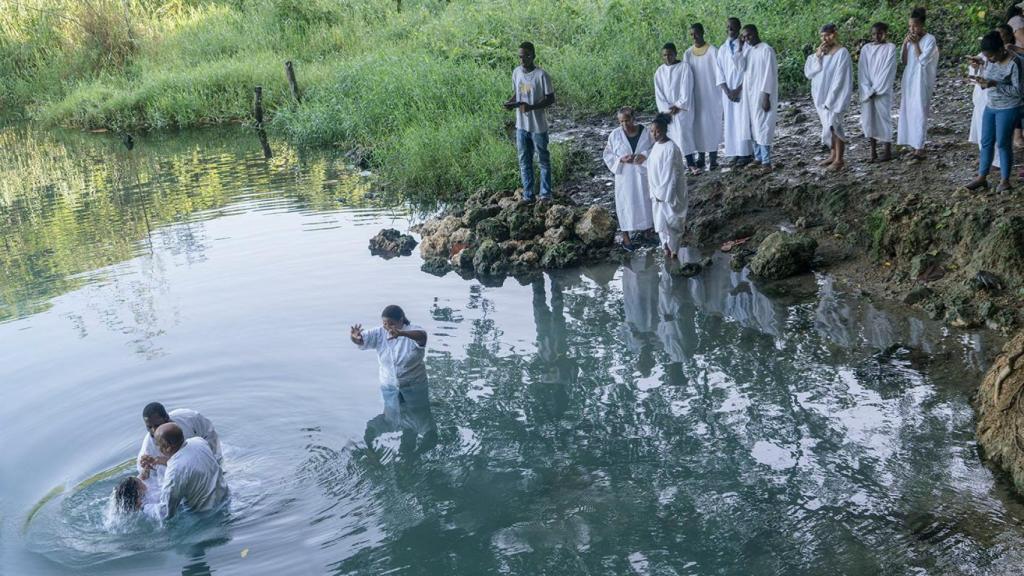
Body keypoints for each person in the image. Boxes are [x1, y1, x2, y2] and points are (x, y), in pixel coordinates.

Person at [966, 31, 1023, 192]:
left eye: (991, 56)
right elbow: (988, 74)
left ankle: (1005, 180)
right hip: (991, 106)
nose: (989, 59)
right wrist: (981, 76)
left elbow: (1018, 91)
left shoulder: (1015, 63)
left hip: (1009, 107)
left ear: (1000, 50)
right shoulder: (990, 60)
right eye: (986, 56)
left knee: (1003, 143)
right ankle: (982, 177)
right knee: (986, 141)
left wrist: (995, 84)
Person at [503, 41, 555, 203]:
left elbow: (550, 99)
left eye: (526, 56)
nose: (522, 59)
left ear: (533, 56)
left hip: (538, 126)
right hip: (521, 126)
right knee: (524, 161)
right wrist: (511, 103)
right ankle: (528, 195)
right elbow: (518, 93)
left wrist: (531, 107)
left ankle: (545, 194)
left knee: (543, 160)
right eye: (520, 56)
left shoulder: (542, 75)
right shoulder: (516, 72)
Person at [602, 106, 654, 251]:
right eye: (621, 122)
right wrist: (620, 160)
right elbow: (607, 154)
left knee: (645, 201)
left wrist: (644, 155)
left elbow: (655, 148)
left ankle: (647, 231)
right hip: (624, 176)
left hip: (642, 173)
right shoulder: (615, 135)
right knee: (625, 203)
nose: (625, 124)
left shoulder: (646, 132)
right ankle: (626, 236)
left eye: (627, 120)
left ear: (633, 118)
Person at [154, 423, 230, 519]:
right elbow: (189, 463)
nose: (156, 447)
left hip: (207, 515)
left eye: (157, 444)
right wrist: (163, 461)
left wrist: (144, 506)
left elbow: (166, 513)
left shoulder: (174, 471)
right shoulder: (199, 441)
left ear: (167, 447)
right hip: (225, 497)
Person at [804, 23, 853, 171]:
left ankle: (839, 159)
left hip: (835, 97)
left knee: (835, 125)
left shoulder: (842, 53)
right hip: (820, 97)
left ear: (835, 34)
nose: (825, 39)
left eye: (828, 35)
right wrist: (818, 56)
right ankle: (832, 155)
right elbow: (809, 73)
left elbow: (840, 78)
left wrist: (831, 99)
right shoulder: (820, 53)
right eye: (823, 36)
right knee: (827, 125)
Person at [137, 403, 221, 487]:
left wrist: (212, 460)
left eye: (157, 425)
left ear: (167, 418)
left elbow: (210, 434)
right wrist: (147, 470)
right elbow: (148, 479)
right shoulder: (148, 449)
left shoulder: (189, 417)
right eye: (149, 427)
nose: (154, 431)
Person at [350, 305, 428, 393]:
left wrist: (402, 333)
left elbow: (422, 336)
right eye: (385, 323)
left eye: (391, 324)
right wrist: (355, 338)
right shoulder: (378, 332)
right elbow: (361, 341)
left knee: (418, 402)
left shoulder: (413, 329)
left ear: (401, 320)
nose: (387, 327)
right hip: (389, 385)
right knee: (389, 402)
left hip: (414, 384)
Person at [897, 7, 939, 163]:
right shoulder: (910, 40)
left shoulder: (930, 39)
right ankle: (913, 145)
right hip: (909, 78)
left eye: (915, 26)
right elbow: (904, 61)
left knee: (920, 110)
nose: (912, 29)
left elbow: (922, 60)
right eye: (910, 26)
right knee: (908, 110)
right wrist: (905, 44)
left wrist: (915, 45)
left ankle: (920, 148)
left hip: (922, 80)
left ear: (922, 25)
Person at [736, 24, 779, 174]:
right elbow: (740, 67)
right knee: (752, 125)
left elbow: (769, 74)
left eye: (749, 35)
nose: (747, 39)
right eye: (744, 37)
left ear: (756, 33)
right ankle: (758, 157)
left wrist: (766, 95)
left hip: (761, 93)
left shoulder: (766, 50)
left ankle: (766, 161)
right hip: (749, 95)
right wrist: (740, 48)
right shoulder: (747, 50)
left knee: (763, 126)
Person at [647, 113, 689, 260]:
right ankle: (665, 247)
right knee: (660, 222)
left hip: (669, 194)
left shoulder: (671, 148)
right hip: (657, 192)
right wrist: (654, 191)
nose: (654, 135)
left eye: (657, 131)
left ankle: (674, 251)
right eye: (652, 131)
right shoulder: (656, 147)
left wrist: (663, 194)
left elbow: (671, 175)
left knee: (672, 222)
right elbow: (652, 168)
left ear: (665, 130)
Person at [654, 42, 699, 174]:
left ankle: (691, 163)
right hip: (667, 111)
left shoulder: (684, 67)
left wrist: (678, 105)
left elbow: (687, 88)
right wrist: (667, 109)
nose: (667, 57)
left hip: (681, 110)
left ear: (675, 54)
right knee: (670, 136)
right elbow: (659, 94)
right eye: (664, 55)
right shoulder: (659, 72)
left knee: (684, 135)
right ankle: (674, 164)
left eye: (670, 54)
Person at [684, 23, 724, 171]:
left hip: (712, 95)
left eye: (696, 33)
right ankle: (700, 158)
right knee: (698, 127)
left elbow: (720, 74)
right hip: (695, 96)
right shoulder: (688, 54)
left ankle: (713, 159)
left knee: (712, 126)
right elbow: (685, 76)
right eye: (691, 34)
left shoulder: (713, 51)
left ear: (702, 32)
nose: (694, 36)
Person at [716, 17, 753, 168]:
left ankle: (745, 153)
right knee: (731, 122)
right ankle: (734, 152)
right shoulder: (722, 49)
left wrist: (738, 89)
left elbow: (749, 71)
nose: (730, 30)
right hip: (728, 93)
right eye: (728, 27)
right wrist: (727, 91)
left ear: (739, 28)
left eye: (733, 27)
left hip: (742, 90)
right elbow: (719, 73)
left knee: (743, 121)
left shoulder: (746, 47)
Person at [859, 23, 898, 162]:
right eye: (874, 34)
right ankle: (873, 151)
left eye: (880, 33)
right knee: (869, 119)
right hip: (868, 90)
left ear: (886, 33)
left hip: (882, 90)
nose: (877, 36)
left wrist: (877, 89)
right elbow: (862, 71)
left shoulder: (890, 48)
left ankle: (887, 151)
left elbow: (888, 70)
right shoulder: (866, 49)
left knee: (884, 117)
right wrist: (867, 89)